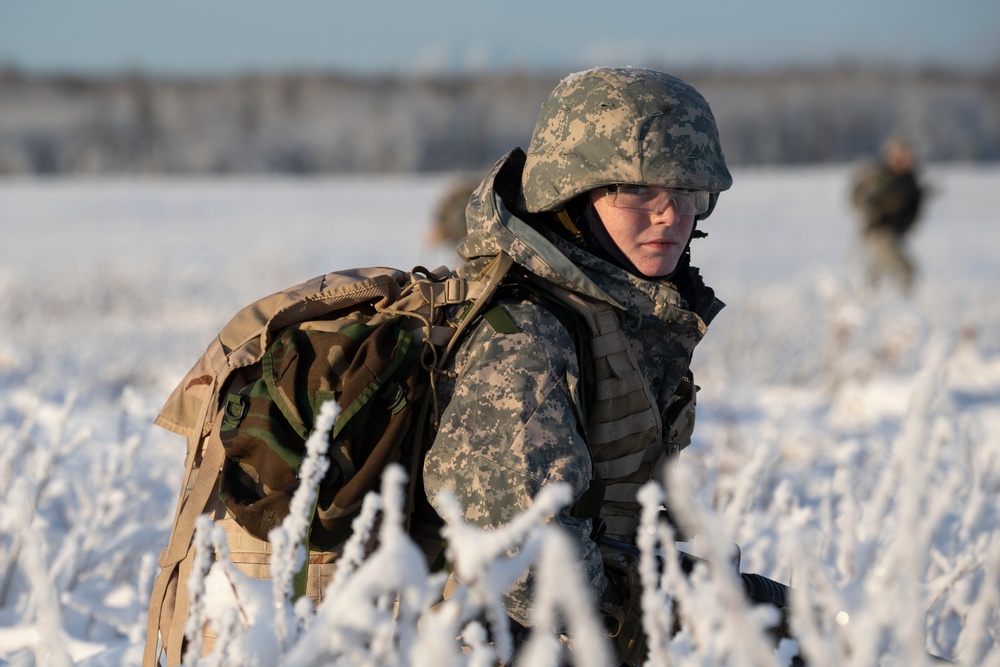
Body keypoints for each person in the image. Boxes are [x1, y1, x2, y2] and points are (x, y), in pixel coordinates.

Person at [419, 66, 732, 663]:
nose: (671, 215)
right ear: (571, 195)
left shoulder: (622, 315)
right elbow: (518, 552)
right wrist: (632, 613)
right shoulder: (526, 338)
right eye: (638, 191)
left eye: (688, 193)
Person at [850, 138, 927, 294]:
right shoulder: (881, 178)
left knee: (879, 268)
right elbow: (861, 200)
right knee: (904, 269)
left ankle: (865, 298)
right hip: (881, 231)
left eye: (906, 157)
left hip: (896, 231)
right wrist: (874, 213)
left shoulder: (909, 180)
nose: (904, 160)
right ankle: (898, 300)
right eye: (899, 157)